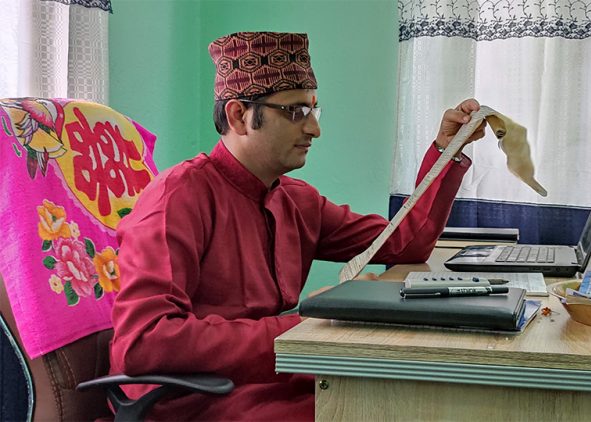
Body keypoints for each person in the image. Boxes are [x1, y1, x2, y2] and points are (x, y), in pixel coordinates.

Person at [109, 31, 486, 421]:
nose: (313, 130)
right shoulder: (178, 197)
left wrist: (447, 151)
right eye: (294, 112)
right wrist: (305, 324)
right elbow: (144, 342)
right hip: (190, 397)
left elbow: (405, 243)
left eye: (313, 111)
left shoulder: (296, 200)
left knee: (406, 393)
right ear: (239, 116)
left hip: (271, 373)